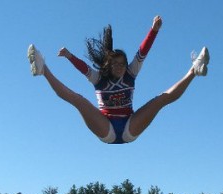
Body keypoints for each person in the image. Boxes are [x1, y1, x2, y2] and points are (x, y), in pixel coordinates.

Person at [27, 16, 209, 144]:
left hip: (131, 125)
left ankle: (195, 70)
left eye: (122, 63)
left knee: (160, 100)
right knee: (79, 101)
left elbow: (142, 53)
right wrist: (69, 56)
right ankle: (43, 69)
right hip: (106, 128)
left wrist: (153, 30)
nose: (120, 67)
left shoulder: (131, 73)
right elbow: (84, 68)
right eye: (115, 64)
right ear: (108, 66)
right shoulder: (99, 78)